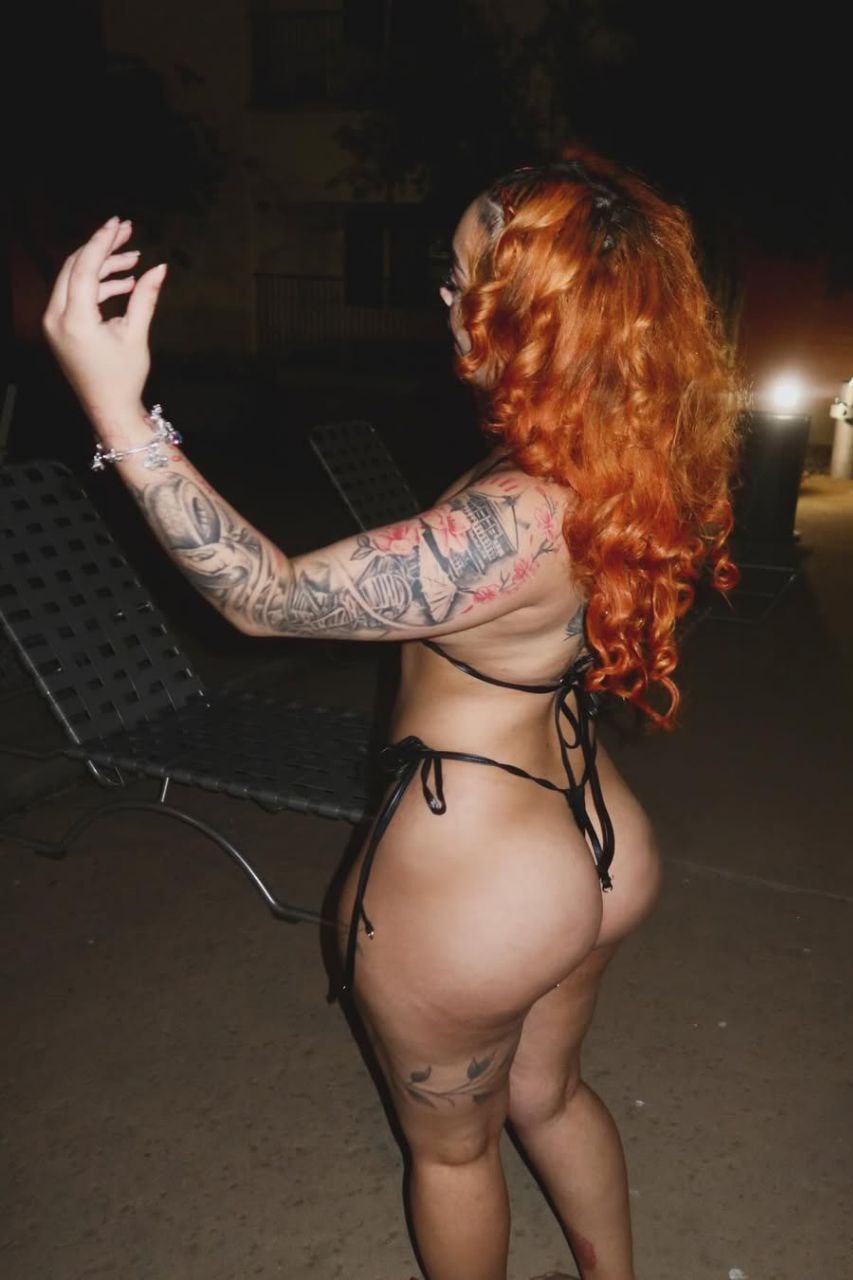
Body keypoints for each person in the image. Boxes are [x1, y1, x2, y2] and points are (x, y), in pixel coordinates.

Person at [43, 151, 740, 1280]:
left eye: (468, 278)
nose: (446, 296)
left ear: (535, 317)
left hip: (488, 878)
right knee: (548, 1093)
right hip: (596, 834)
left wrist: (117, 408)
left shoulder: (520, 516)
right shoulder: (617, 452)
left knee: (454, 1154)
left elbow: (265, 596)